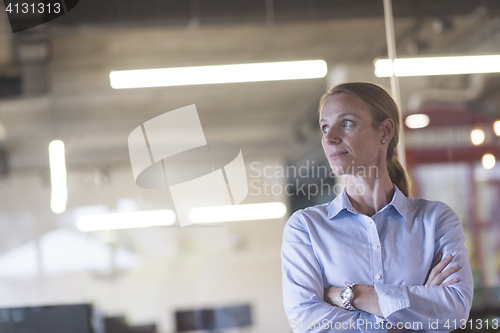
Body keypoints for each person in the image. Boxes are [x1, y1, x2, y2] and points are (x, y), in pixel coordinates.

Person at [281, 82, 474, 333]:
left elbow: (454, 309)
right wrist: (411, 316)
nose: (329, 138)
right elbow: (307, 323)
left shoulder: (435, 220)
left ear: (385, 130)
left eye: (346, 123)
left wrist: (353, 295)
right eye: (324, 127)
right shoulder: (305, 227)